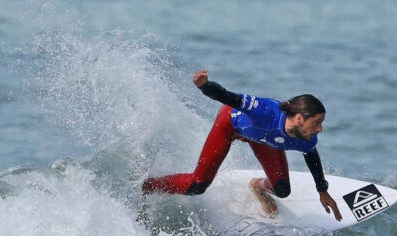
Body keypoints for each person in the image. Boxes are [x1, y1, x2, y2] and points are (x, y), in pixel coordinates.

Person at [142, 70, 342, 221]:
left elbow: (311, 155)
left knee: (281, 190)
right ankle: (149, 185)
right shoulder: (264, 111)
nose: (320, 129)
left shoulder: (305, 138)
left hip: (261, 139)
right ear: (299, 118)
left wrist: (322, 191)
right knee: (197, 186)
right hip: (230, 126)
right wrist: (204, 86)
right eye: (316, 122)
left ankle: (257, 186)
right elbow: (229, 97)